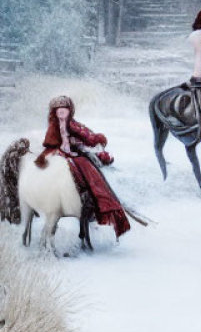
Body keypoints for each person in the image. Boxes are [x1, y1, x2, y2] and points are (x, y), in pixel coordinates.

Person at [35, 95, 130, 238]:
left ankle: (94, 202)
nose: (61, 113)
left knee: (90, 173)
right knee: (87, 171)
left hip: (68, 154)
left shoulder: (72, 125)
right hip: (63, 155)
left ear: (69, 111)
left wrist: (85, 141)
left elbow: (87, 138)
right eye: (58, 110)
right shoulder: (55, 126)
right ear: (54, 112)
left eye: (64, 110)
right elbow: (54, 142)